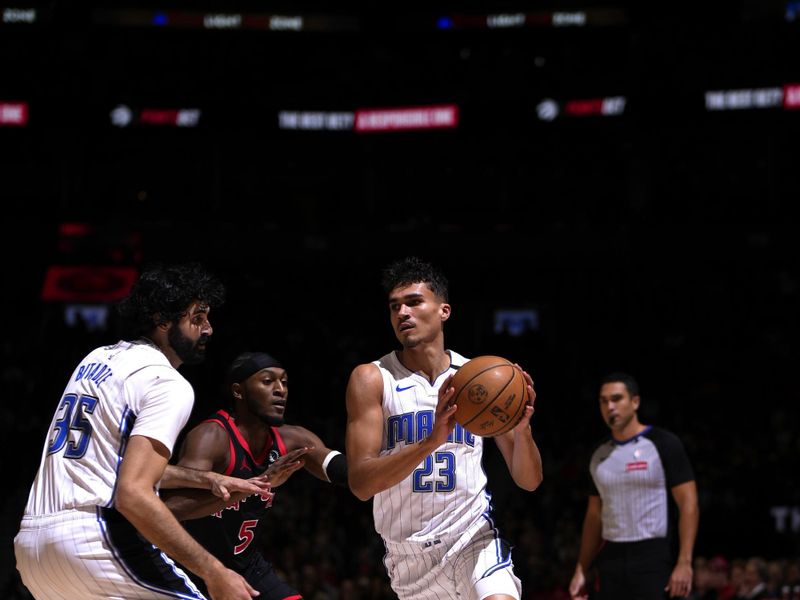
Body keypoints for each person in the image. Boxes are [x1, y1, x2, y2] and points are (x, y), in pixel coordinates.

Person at [14, 262, 270, 600]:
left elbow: (110, 461)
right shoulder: (167, 382)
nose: (209, 328)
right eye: (197, 317)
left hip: (33, 549)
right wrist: (214, 571)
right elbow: (133, 493)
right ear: (162, 320)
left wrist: (207, 479)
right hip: (93, 541)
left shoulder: (96, 359)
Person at [345, 256, 544, 600]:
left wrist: (522, 428)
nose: (402, 313)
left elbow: (529, 480)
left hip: (473, 537)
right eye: (395, 307)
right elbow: (361, 484)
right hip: (409, 557)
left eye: (414, 302)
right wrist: (431, 440)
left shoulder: (479, 378)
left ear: (444, 311)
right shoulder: (372, 378)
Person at [162, 351, 349, 600]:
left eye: (284, 382)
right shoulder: (211, 438)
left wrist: (393, 465)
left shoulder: (293, 439)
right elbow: (171, 509)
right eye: (268, 381)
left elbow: (347, 473)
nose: (280, 389)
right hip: (189, 565)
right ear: (238, 391)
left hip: (247, 565)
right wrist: (257, 485)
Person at [568, 372, 700, 600]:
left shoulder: (664, 443)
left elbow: (689, 504)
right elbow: (594, 515)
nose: (610, 406)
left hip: (653, 556)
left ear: (635, 402)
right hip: (610, 557)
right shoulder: (598, 454)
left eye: (617, 398)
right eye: (604, 400)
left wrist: (685, 562)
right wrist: (581, 568)